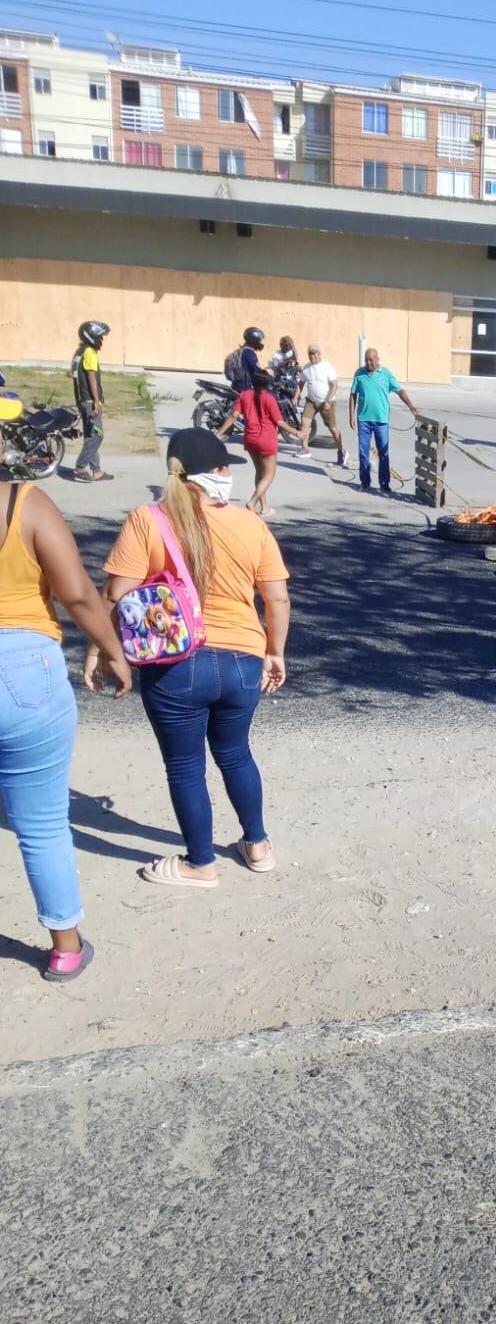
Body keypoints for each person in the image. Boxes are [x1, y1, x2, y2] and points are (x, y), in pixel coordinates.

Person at [86, 427, 290, 889]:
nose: (228, 475)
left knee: (184, 767)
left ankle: (201, 863)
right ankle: (256, 845)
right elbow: (276, 599)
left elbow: (115, 594)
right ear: (214, 472)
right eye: (224, 467)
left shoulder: (148, 518)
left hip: (175, 665)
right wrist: (274, 651)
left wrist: (99, 649)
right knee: (236, 753)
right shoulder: (250, 523)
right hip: (242, 660)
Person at [1, 476, 132, 980]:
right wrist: (114, 651)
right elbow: (76, 594)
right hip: (23, 666)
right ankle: (65, 948)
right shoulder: (23, 503)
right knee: (41, 825)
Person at [217, 368, 305, 517]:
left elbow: (233, 415)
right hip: (267, 440)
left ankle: (265, 508)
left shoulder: (244, 395)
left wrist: (220, 432)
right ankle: (252, 502)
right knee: (269, 475)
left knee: (260, 473)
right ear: (266, 384)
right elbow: (280, 422)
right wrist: (297, 433)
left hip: (250, 439)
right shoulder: (269, 398)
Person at [348, 347, 421, 494]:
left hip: (381, 420)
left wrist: (410, 405)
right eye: (366, 360)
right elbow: (353, 395)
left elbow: (399, 390)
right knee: (363, 452)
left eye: (371, 360)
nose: (368, 363)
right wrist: (351, 415)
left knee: (383, 452)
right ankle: (365, 482)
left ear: (377, 359)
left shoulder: (386, 374)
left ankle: (384, 483)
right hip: (363, 419)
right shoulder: (359, 374)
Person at [71, 320, 114, 483]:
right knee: (97, 435)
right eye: (100, 337)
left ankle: (97, 471)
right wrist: (96, 400)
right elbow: (90, 376)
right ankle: (80, 467)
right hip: (89, 399)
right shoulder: (89, 352)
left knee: (91, 435)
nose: (102, 340)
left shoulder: (80, 351)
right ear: (92, 336)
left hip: (81, 399)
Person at [298, 343, 347, 466]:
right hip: (311, 401)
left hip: (326, 402)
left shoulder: (327, 367)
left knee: (332, 428)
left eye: (314, 353)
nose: (312, 356)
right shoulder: (306, 368)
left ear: (319, 354)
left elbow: (334, 385)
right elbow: (301, 383)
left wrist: (328, 401)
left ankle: (342, 451)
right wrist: (295, 396)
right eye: (310, 353)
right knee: (304, 422)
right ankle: (304, 449)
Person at [227, 327, 266, 394]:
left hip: (236, 385)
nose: (260, 343)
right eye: (259, 340)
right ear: (254, 340)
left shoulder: (240, 350)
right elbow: (256, 370)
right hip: (245, 388)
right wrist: (267, 377)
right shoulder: (249, 353)